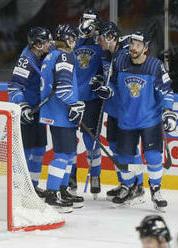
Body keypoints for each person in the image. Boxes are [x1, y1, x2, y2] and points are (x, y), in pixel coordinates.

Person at [93, 31, 176, 210]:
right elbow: (114, 83)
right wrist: (108, 90)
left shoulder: (155, 66)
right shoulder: (120, 61)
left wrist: (168, 111)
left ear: (145, 48)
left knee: (154, 156)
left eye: (138, 45)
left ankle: (155, 189)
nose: (133, 48)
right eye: (132, 44)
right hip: (126, 119)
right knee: (124, 158)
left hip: (149, 120)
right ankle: (130, 187)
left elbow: (166, 91)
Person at [93, 21, 144, 203]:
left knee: (128, 149)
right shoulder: (107, 53)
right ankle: (125, 182)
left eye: (101, 37)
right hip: (114, 109)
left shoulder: (125, 54)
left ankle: (137, 186)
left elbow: (132, 82)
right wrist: (100, 82)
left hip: (128, 111)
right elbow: (108, 77)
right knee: (114, 147)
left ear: (111, 37)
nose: (98, 41)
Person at [39, 24, 85, 212]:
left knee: (69, 153)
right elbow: (64, 89)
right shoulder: (64, 56)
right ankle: (52, 193)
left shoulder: (50, 55)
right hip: (61, 113)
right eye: (72, 39)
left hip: (54, 112)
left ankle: (62, 189)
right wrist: (75, 104)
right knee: (63, 155)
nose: (74, 43)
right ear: (67, 40)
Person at [8, 26, 52, 197]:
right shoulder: (26, 61)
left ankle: (32, 187)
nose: (51, 44)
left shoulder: (43, 54)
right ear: (38, 44)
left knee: (40, 149)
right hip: (26, 112)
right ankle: (19, 188)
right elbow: (14, 86)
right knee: (24, 151)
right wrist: (23, 106)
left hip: (39, 111)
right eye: (47, 42)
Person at [72, 8, 104, 197]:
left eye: (92, 23)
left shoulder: (101, 43)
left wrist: (100, 81)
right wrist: (78, 35)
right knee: (69, 141)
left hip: (92, 99)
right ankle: (71, 176)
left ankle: (95, 175)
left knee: (90, 140)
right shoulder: (72, 40)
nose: (88, 26)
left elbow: (108, 66)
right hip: (72, 98)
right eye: (86, 21)